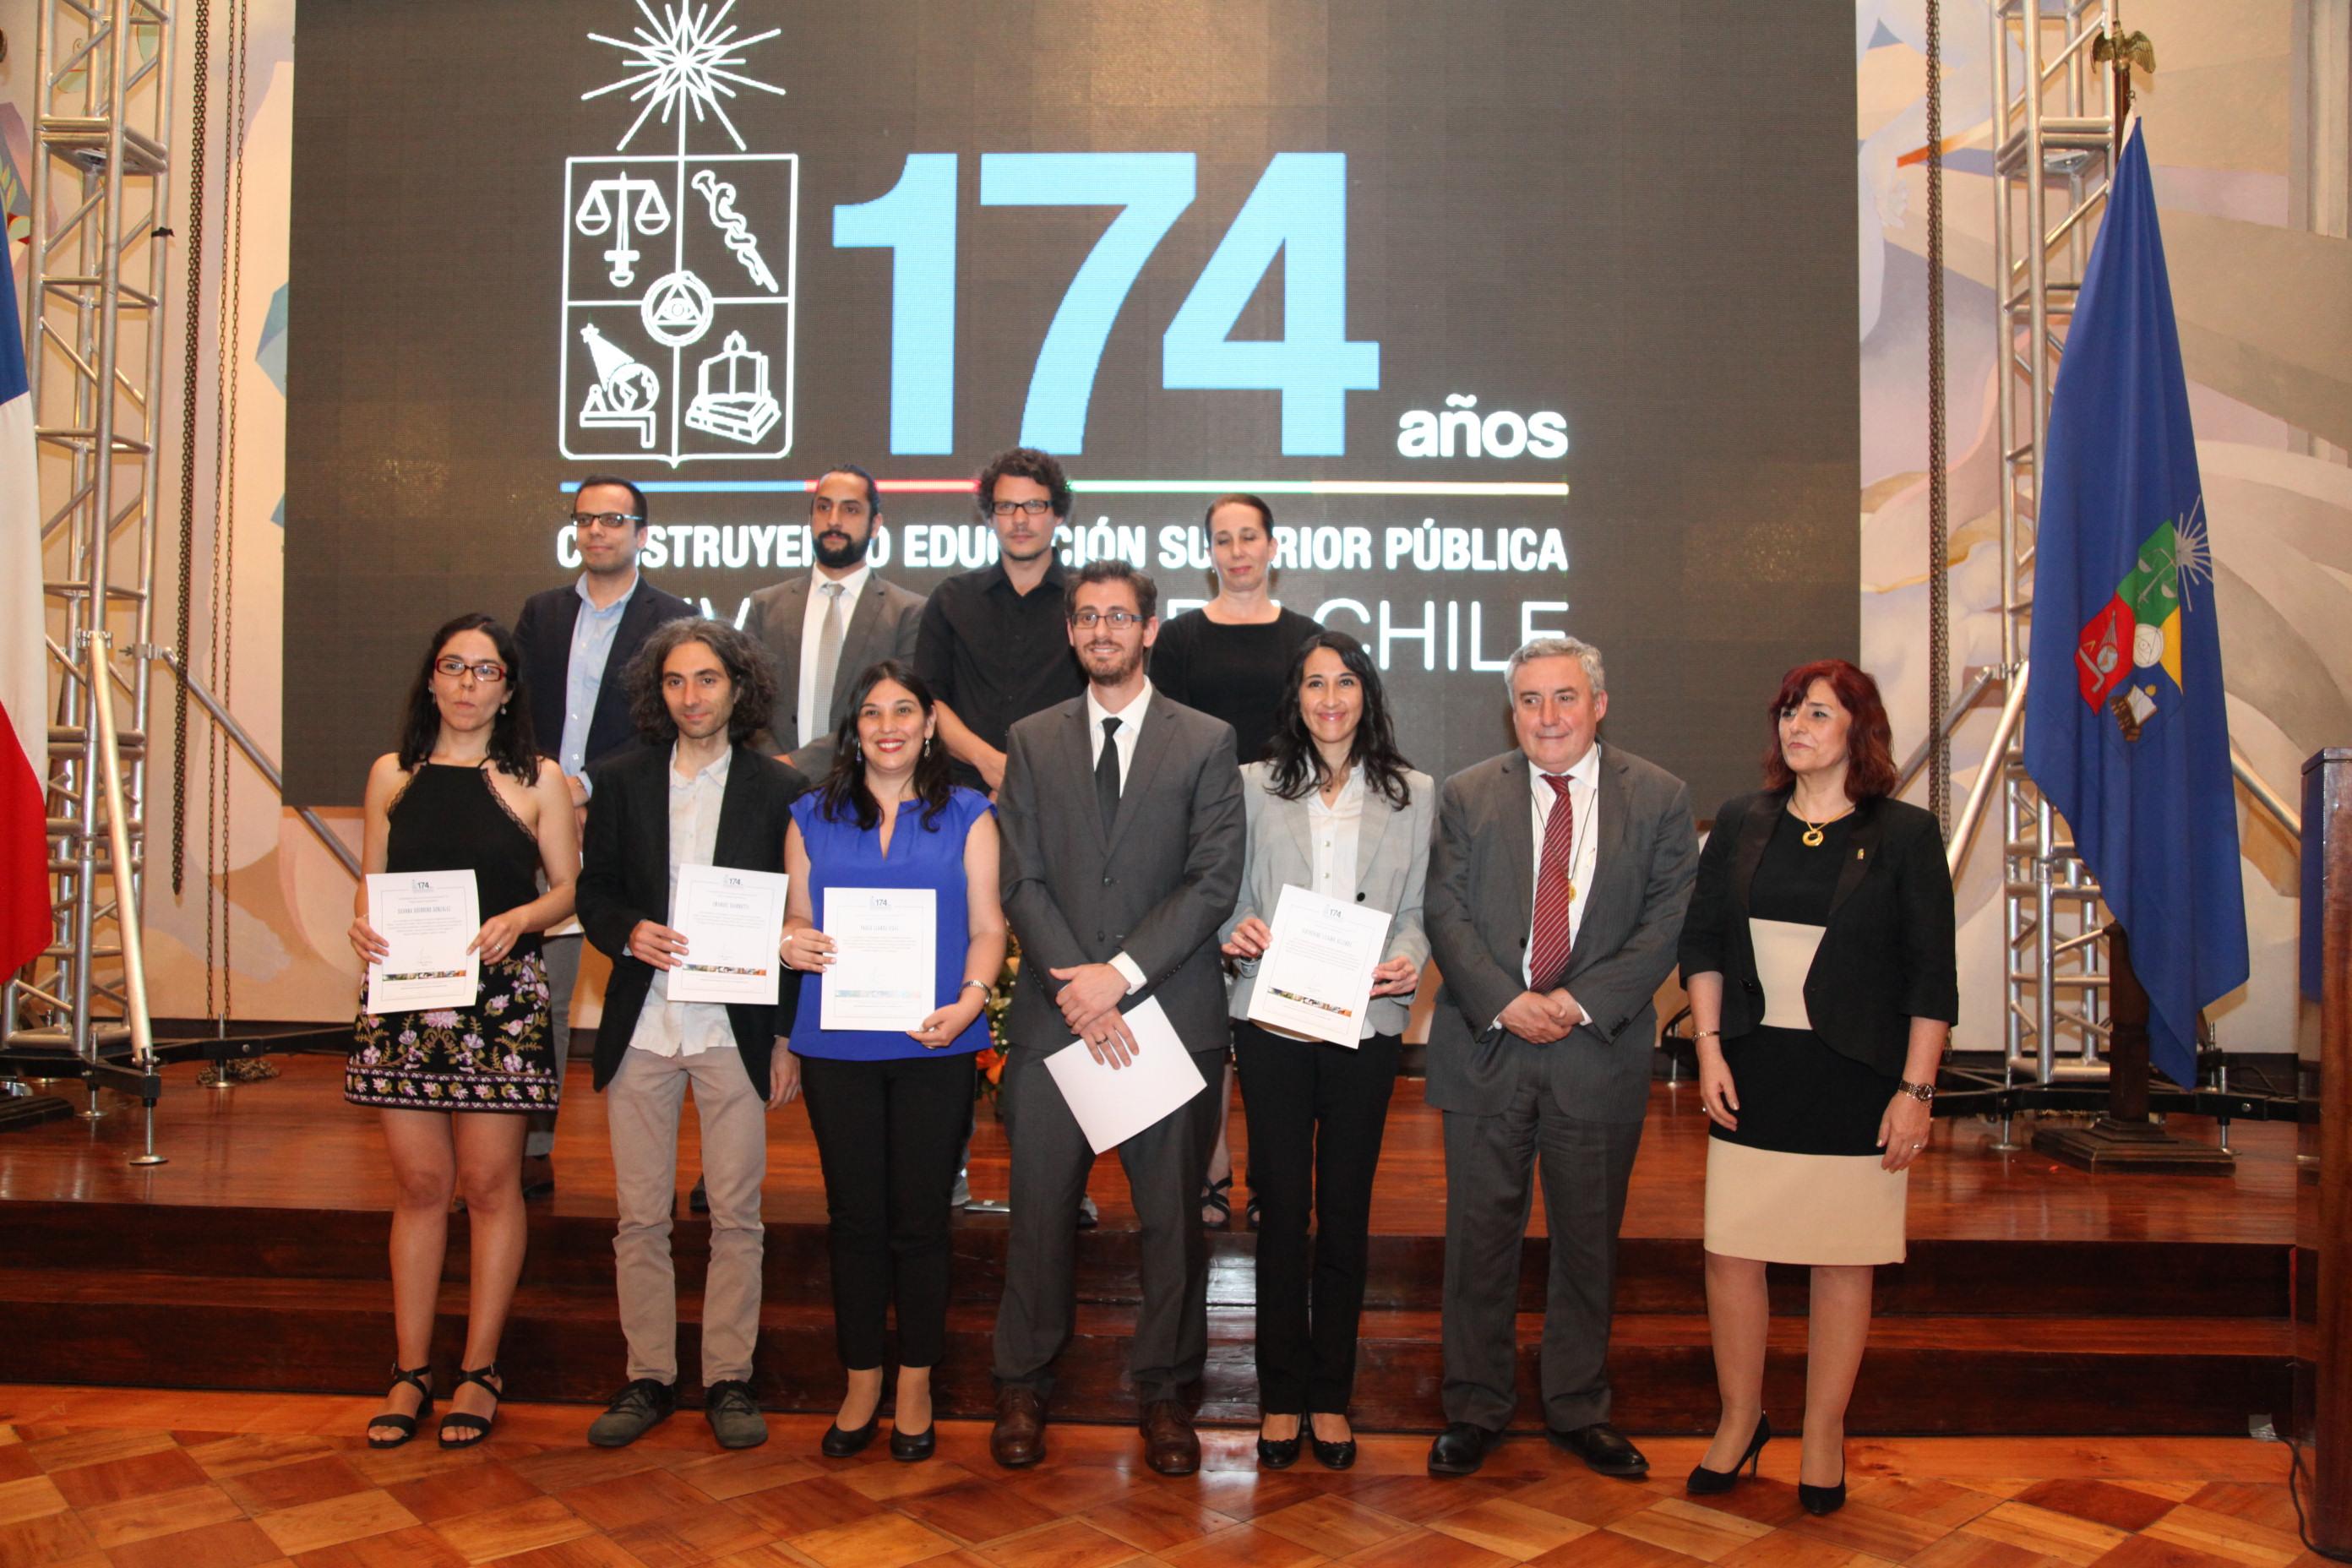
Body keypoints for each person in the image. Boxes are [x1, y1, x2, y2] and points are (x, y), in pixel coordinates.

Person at [1678, 659, 1956, 1516]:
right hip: (1756, 1065)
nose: (1797, 726)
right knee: (1732, 1249)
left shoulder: (1905, 833)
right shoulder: (1741, 820)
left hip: (1858, 1074)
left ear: (1857, 730)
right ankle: (1739, 1419)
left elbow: (1931, 978)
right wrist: (1711, 1048)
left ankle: (1824, 1430)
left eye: (1818, 712)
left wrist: (1917, 1090)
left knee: (1843, 1257)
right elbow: (1705, 942)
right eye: (1790, 711)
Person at [989, 560, 1244, 1476]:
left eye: (1120, 617)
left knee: (1173, 1221)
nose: (1103, 629)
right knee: (1039, 1215)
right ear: (1071, 632)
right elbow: (1020, 876)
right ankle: (1023, 1383)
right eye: (1087, 616)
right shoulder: (1030, 737)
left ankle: (1168, 1394)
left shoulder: (1207, 739)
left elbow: (1213, 877)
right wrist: (1078, 984)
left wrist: (1121, 976)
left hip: (1167, 1016)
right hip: (1058, 1019)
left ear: (1149, 630)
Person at [1423, 635, 1699, 1479]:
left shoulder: (1659, 796)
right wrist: (1506, 999)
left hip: (1596, 1050)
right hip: (1487, 1045)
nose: (1548, 715)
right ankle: (1475, 1404)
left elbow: (1664, 924)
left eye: (1565, 697)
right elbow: (1444, 909)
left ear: (1599, 703)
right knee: (1478, 1241)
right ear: (1514, 711)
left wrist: (1576, 1003)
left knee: (1588, 1243)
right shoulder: (1469, 795)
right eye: (1532, 699)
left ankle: (1578, 1406)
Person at [574, 618, 811, 1452]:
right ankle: (648, 1374)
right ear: (657, 692)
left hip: (733, 1027)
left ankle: (728, 1378)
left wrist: (786, 1035)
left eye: (708, 679)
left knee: (738, 1216)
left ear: (738, 688)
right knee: (639, 1216)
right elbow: (594, 888)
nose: (692, 695)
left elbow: (796, 915)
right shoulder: (620, 779)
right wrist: (626, 928)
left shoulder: (780, 789)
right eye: (676, 681)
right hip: (643, 1022)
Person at [346, 612, 579, 1450]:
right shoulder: (390, 774)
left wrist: (523, 914)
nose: (470, 683)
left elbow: (569, 891)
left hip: (502, 1002)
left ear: (508, 688)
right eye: (455, 666)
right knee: (417, 1188)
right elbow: (371, 888)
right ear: (433, 678)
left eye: (487, 670)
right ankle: (410, 1371)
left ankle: (479, 1369)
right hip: (404, 1002)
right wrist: (359, 927)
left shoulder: (537, 777)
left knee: (489, 1186)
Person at [780, 661, 1007, 1463]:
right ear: (855, 728)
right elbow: (798, 915)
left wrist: (973, 999)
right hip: (836, 1046)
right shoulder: (809, 813)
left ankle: (915, 1380)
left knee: (918, 1223)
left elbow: (989, 926)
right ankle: (861, 1378)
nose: (888, 725)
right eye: (873, 712)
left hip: (936, 1042)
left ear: (928, 722)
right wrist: (789, 940)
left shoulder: (973, 814)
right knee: (854, 1221)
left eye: (904, 710)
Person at [1219, 631, 1431, 1471]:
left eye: (1345, 681)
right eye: (1314, 683)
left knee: (1345, 1209)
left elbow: (1416, 909)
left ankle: (1331, 1395)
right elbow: (1226, 895)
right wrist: (1233, 929)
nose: (1330, 696)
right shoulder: (1250, 788)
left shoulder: (1413, 792)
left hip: (1364, 1028)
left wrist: (1412, 954)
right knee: (1280, 1208)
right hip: (1271, 1025)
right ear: (1295, 698)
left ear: (1365, 693)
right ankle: (1278, 1396)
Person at [512, 476, 695, 1195]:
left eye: (614, 520)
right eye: (587, 520)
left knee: (644, 977)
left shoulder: (672, 617)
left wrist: (585, 789)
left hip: (623, 820)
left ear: (642, 533)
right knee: (545, 992)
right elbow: (517, 709)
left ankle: (659, 1160)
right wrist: (542, 790)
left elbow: (664, 723)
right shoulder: (542, 613)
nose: (598, 532)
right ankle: (532, 1145)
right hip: (536, 821)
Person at [1149, 493, 1320, 1229]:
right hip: (1207, 831)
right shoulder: (1181, 638)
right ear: (1210, 552)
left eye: (1249, 536)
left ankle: (1273, 1178)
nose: (1238, 550)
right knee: (1209, 1009)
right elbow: (1166, 740)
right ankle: (1212, 1170)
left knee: (1275, 1016)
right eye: (1223, 539)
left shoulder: (1308, 637)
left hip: (1289, 834)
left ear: (1273, 546)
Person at [913, 447, 1086, 796]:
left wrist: (1023, 774)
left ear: (1059, 516)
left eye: (1035, 506)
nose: (1019, 520)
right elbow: (928, 700)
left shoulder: (1087, 602)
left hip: (1063, 795)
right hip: (959, 797)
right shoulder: (951, 600)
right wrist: (988, 762)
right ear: (989, 518)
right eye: (1006, 507)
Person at [743, 464, 926, 777]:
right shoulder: (765, 607)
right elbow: (745, 703)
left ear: (875, 524)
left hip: (867, 793)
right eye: (823, 507)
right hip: (771, 791)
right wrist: (774, 770)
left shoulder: (908, 613)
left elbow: (902, 714)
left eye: (851, 510)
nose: (834, 521)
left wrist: (798, 767)